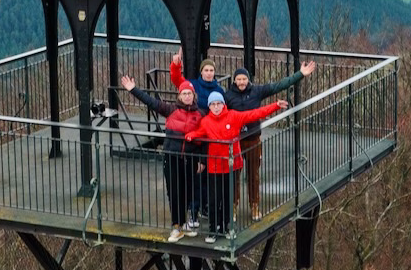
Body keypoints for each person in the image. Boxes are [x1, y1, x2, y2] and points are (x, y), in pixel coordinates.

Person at [187, 91, 288, 243]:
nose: (216, 107)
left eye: (219, 104)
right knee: (214, 199)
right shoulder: (206, 121)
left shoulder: (233, 116)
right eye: (213, 104)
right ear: (209, 106)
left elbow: (254, 114)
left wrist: (275, 106)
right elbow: (199, 132)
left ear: (223, 104)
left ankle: (227, 227)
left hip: (231, 166)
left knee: (228, 198)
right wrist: (191, 135)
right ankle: (214, 230)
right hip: (214, 167)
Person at [225, 60, 316, 220]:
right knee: (233, 176)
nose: (241, 82)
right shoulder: (228, 96)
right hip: (235, 141)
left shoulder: (257, 91)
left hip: (252, 139)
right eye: (238, 79)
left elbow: (278, 85)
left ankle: (254, 206)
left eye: (244, 79)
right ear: (234, 80)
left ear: (248, 80)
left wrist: (300, 74)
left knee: (253, 175)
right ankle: (233, 207)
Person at [120, 75, 203, 243]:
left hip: (190, 158)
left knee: (187, 192)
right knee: (174, 191)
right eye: (184, 93)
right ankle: (176, 226)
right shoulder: (170, 110)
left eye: (189, 93)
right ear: (179, 96)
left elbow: (204, 139)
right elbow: (151, 102)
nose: (187, 96)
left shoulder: (200, 114)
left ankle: (183, 223)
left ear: (194, 96)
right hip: (172, 158)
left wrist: (202, 161)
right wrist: (133, 90)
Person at [169, 49, 226, 221]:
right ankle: (195, 207)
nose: (209, 73)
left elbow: (225, 111)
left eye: (211, 70)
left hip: (210, 135)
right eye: (206, 70)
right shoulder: (193, 85)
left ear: (214, 72)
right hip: (196, 133)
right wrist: (176, 65)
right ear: (201, 71)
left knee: (207, 175)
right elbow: (177, 80)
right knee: (197, 176)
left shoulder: (219, 90)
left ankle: (204, 206)